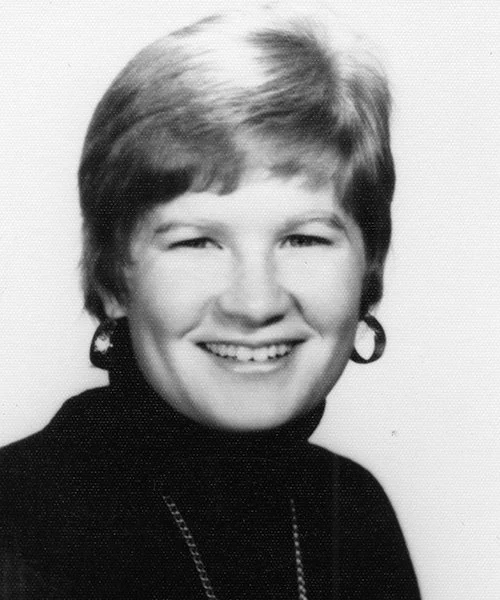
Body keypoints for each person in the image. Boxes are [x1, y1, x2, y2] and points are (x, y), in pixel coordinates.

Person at [0, 3, 421, 598]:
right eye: (196, 242)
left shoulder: (353, 515)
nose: (255, 303)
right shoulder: (18, 528)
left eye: (304, 239)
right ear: (112, 278)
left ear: (368, 269)